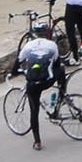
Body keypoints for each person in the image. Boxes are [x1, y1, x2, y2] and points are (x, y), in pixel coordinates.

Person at [11, 21, 64, 150]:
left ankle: (37, 142)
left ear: (35, 34)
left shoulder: (28, 45)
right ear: (47, 33)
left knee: (34, 112)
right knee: (61, 70)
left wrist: (12, 73)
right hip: (48, 81)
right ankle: (61, 98)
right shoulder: (52, 45)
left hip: (33, 84)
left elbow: (18, 62)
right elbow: (56, 64)